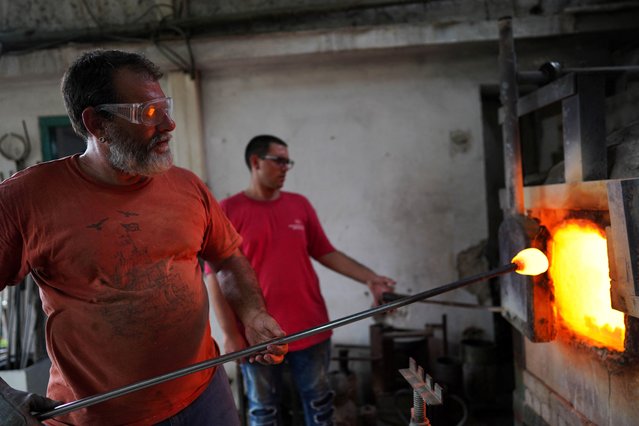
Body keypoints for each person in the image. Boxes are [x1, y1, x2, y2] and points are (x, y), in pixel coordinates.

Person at [0, 50, 287, 426]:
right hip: (102, 416)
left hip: (205, 395)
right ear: (97, 123)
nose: (169, 124)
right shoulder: (26, 200)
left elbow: (227, 258)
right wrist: (4, 399)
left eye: (164, 107)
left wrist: (252, 313)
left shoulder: (187, 186)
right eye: (149, 113)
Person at [205, 135, 396, 426]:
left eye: (288, 161)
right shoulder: (229, 210)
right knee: (263, 411)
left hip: (311, 327)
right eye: (279, 160)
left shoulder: (299, 205)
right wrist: (231, 333)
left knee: (319, 406)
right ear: (256, 162)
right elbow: (216, 277)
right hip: (258, 336)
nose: (285, 168)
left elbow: (326, 251)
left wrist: (370, 279)